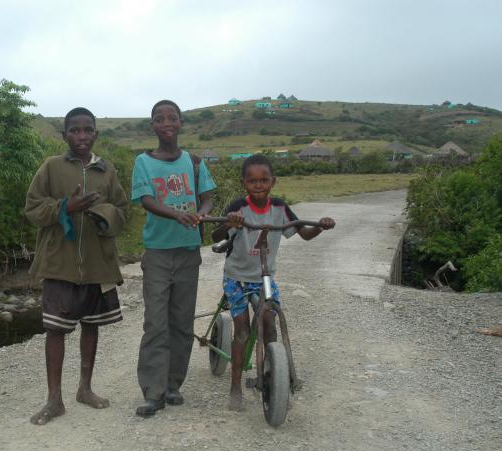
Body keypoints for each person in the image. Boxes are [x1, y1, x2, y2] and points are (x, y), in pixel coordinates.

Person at [24, 107, 127, 425]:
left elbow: (124, 212)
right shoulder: (51, 168)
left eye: (87, 130)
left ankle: (85, 388)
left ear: (96, 133)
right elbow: (33, 209)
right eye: (74, 130)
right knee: (55, 331)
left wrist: (103, 215)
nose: (81, 136)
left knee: (91, 325)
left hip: (98, 264)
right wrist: (66, 206)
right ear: (64, 134)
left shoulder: (107, 171)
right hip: (60, 264)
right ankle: (54, 400)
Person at [210, 154, 335, 411]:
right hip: (237, 278)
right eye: (252, 180)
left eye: (264, 180)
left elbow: (304, 233)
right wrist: (228, 223)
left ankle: (273, 375)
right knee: (243, 330)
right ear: (244, 182)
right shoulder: (237, 207)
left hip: (264, 277)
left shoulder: (280, 208)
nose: (259, 185)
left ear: (273, 181)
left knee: (270, 325)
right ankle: (235, 387)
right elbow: (215, 234)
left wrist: (320, 226)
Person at [131, 100, 217, 417]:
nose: (166, 122)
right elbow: (147, 200)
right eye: (159, 118)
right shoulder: (143, 162)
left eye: (172, 117)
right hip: (157, 253)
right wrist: (178, 215)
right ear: (152, 126)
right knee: (156, 323)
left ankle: (173, 385)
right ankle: (153, 392)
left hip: (188, 252)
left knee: (181, 322)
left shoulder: (193, 163)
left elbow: (206, 198)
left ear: (181, 123)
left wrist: (201, 215)